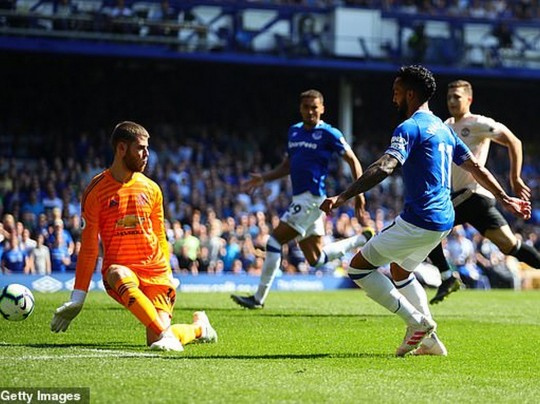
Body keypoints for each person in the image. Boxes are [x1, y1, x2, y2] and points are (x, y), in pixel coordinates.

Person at [320, 65, 530, 357]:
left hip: (420, 219)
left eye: (396, 92)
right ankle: (430, 343)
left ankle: (416, 322)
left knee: (358, 268)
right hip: (443, 220)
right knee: (400, 270)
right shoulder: (443, 129)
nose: (393, 98)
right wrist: (504, 198)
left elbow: (386, 166)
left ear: (410, 94)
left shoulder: (410, 127)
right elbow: (476, 167)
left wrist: (343, 196)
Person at [50, 121, 217, 352]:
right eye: (141, 148)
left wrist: (168, 273)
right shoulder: (95, 191)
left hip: (156, 272)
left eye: (147, 148)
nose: (147, 154)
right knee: (117, 273)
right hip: (121, 270)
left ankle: (200, 328)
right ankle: (168, 334)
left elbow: (159, 235)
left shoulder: (152, 189)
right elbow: (89, 248)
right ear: (121, 148)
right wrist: (77, 298)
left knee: (155, 339)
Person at [230, 89, 371, 309]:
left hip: (311, 199)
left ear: (322, 108)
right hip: (304, 199)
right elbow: (287, 166)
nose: (310, 111)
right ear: (300, 109)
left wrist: (358, 194)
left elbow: (352, 160)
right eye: (306, 107)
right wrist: (264, 178)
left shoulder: (329, 133)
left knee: (274, 241)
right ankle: (361, 239)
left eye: (314, 107)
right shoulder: (294, 131)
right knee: (316, 259)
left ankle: (258, 299)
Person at [428, 79, 538, 304]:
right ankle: (447, 277)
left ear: (469, 99)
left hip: (473, 194)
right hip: (469, 198)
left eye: (457, 97)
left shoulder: (478, 123)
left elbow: (514, 141)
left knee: (427, 223)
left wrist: (514, 178)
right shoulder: (446, 126)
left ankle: (447, 277)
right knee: (510, 246)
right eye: (449, 97)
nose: (452, 101)